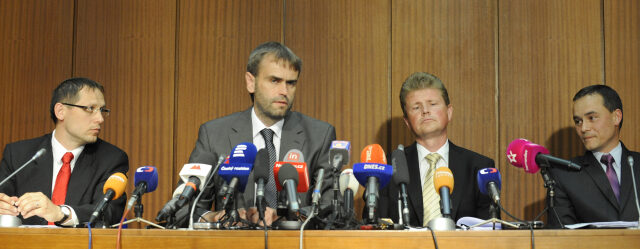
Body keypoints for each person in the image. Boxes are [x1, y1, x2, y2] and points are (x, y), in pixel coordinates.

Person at [186, 41, 336, 226]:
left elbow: (331, 207)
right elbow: (186, 207)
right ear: (251, 82)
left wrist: (289, 216)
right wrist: (214, 217)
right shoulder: (214, 135)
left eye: (291, 83)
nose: (284, 91)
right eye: (274, 81)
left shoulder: (319, 135)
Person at [0, 77, 129, 226]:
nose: (100, 119)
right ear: (60, 111)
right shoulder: (19, 154)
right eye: (90, 109)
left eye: (102, 110)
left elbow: (108, 212)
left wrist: (61, 213)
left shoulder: (111, 159)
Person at [376, 72, 494, 227]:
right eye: (416, 107)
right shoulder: (388, 168)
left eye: (432, 104)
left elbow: (491, 231)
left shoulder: (479, 167)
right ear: (407, 122)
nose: (425, 111)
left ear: (449, 112)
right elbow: (373, 228)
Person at [548, 85, 639, 228]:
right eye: (578, 121)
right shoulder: (564, 174)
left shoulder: (636, 164)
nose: (583, 128)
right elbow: (560, 238)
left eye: (592, 118)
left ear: (616, 117)